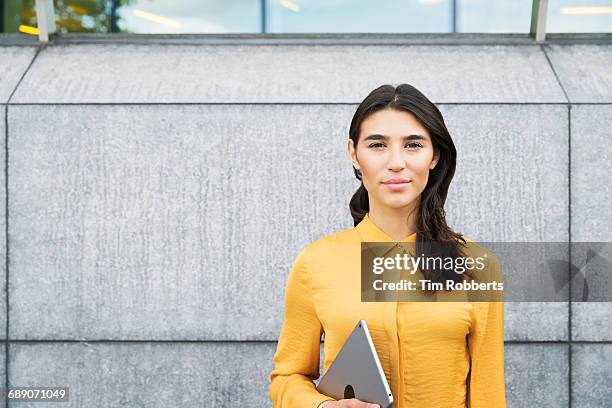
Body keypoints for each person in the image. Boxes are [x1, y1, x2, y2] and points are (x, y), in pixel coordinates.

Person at [268, 84, 506, 408]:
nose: (396, 163)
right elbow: (287, 377)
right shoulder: (316, 262)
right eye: (377, 144)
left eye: (413, 145)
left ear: (434, 155)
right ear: (354, 154)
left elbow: (488, 393)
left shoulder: (477, 265)